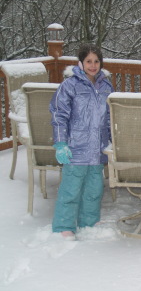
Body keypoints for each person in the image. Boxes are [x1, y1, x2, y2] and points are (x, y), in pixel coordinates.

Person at [49, 43, 114, 240]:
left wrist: (111, 141)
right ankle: (64, 225)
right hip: (75, 147)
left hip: (98, 148)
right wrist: (61, 143)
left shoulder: (106, 86)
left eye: (96, 61)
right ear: (81, 63)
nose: (93, 65)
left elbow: (110, 117)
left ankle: (89, 220)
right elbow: (59, 115)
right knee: (71, 189)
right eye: (89, 61)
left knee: (94, 189)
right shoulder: (69, 86)